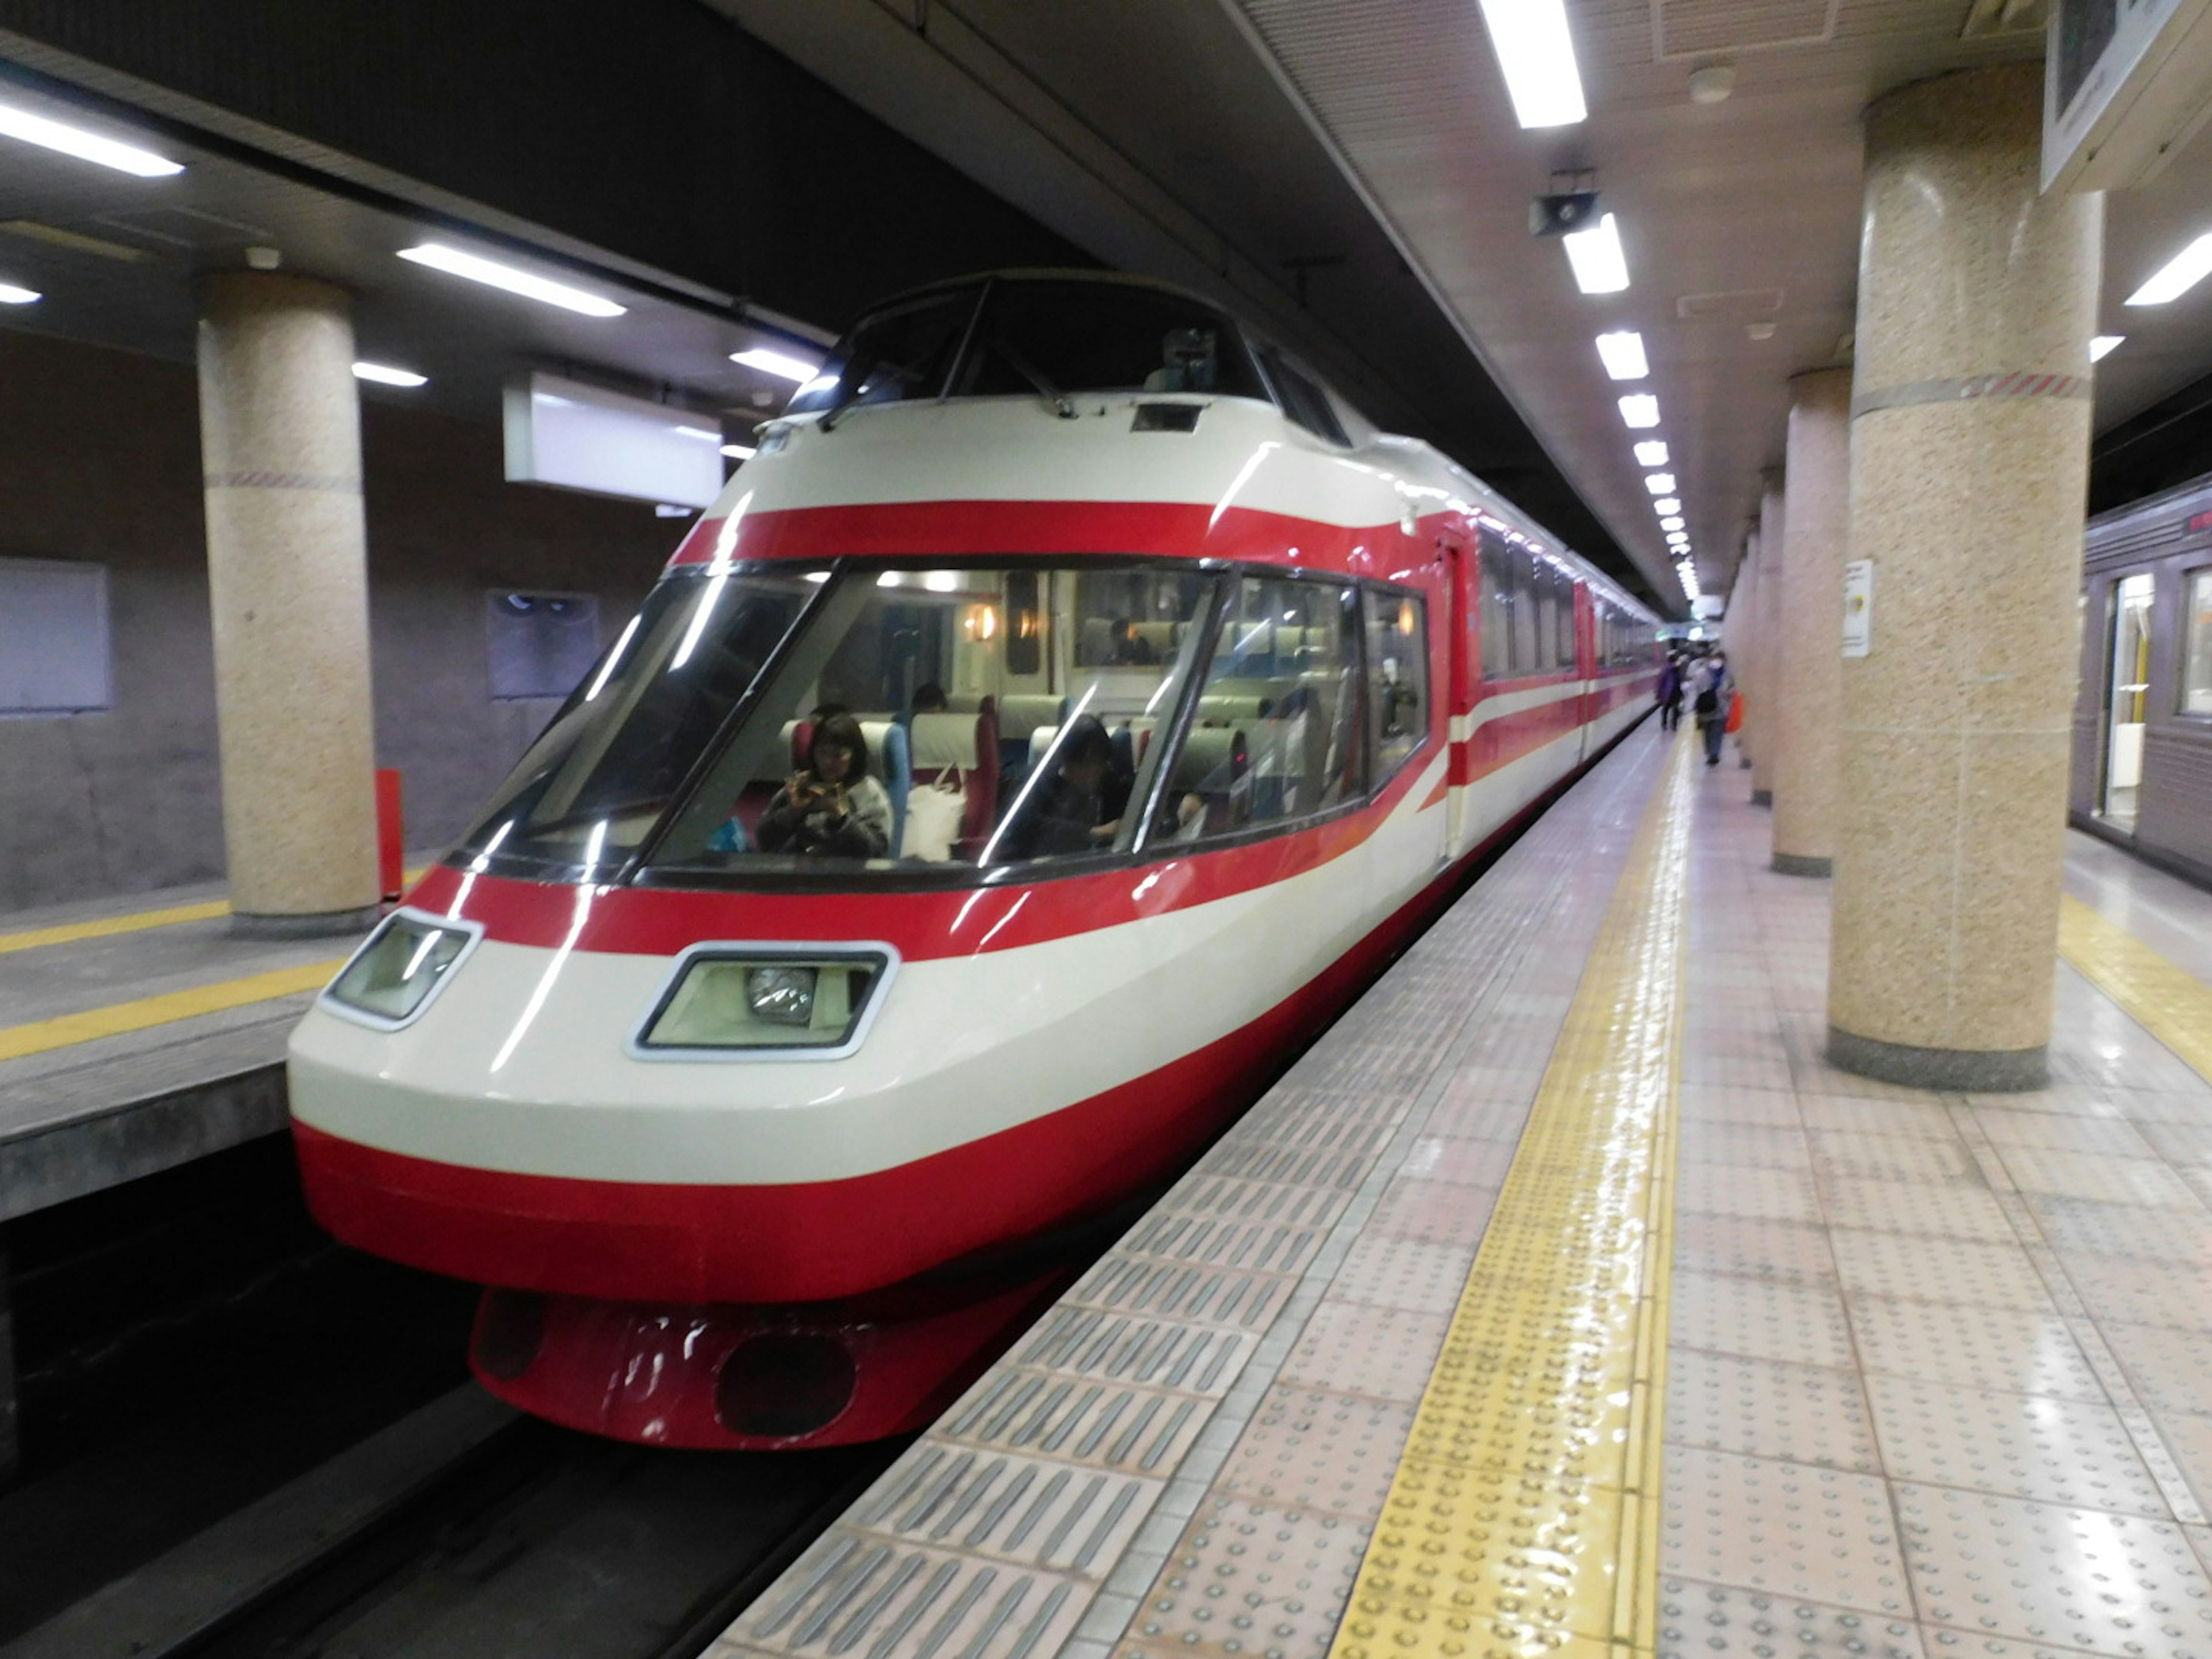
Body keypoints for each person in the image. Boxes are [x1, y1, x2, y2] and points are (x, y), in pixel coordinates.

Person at [756, 712, 893, 857]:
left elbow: (877, 851)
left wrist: (840, 818)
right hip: (794, 873)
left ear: (854, 756)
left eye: (838, 755)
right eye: (822, 752)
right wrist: (792, 813)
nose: (828, 762)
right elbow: (764, 841)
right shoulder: (802, 784)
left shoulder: (867, 791)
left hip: (843, 876)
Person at [1000, 715, 1132, 859]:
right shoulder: (1034, 784)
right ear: (1066, 762)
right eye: (1088, 763)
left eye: (1099, 762)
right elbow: (1025, 827)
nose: (1097, 770)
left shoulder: (1111, 784)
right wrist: (1094, 833)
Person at [1691, 651, 1733, 767]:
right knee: (1708, 733)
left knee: (1716, 732)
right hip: (1706, 707)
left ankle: (1713, 754)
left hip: (1720, 708)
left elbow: (1732, 689)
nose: (1719, 661)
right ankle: (1711, 753)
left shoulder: (1727, 674)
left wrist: (1728, 694)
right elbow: (1695, 690)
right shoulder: (1702, 673)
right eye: (1717, 658)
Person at [1656, 653, 1684, 732]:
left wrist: (1659, 693)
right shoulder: (1677, 668)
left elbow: (1661, 682)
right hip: (1676, 691)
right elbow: (1681, 679)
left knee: (1665, 709)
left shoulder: (1664, 669)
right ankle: (1674, 725)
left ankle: (1664, 724)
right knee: (1675, 709)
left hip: (1667, 693)